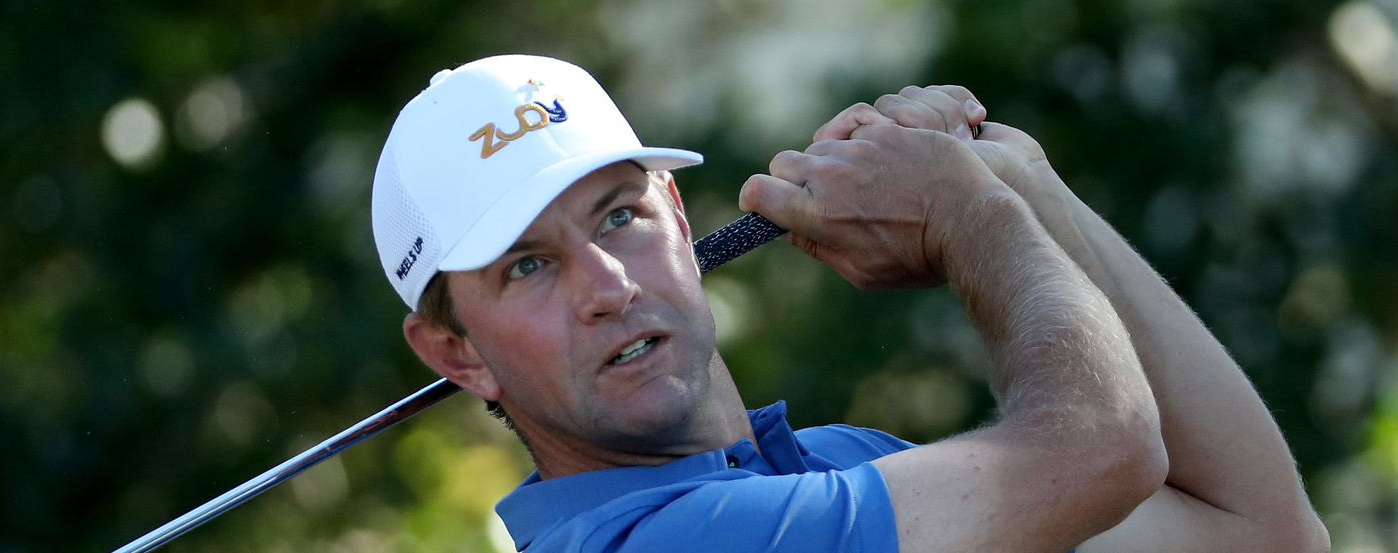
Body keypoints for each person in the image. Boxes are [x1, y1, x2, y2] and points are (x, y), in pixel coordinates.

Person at [371, 54, 1328, 552]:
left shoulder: (839, 467)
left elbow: (1265, 536)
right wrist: (968, 215)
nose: (607, 287)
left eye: (618, 215)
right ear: (458, 356)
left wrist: (1023, 183)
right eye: (528, 267)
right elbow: (1105, 448)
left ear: (674, 212)